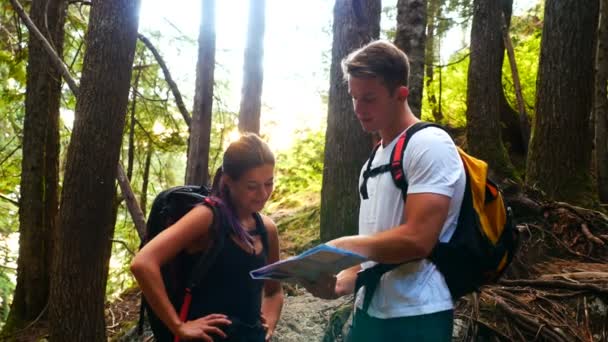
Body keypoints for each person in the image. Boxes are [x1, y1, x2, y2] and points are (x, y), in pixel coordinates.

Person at [303, 40, 466, 341]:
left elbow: (418, 240)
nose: (358, 109)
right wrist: (339, 283)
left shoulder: (430, 144)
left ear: (400, 94)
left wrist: (345, 245)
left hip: (419, 315)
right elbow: (375, 254)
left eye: (369, 98)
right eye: (354, 97)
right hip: (370, 311)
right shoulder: (374, 160)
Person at [131, 133, 284, 342]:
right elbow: (143, 262)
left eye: (269, 183)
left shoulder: (267, 229)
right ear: (228, 181)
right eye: (252, 186)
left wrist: (267, 328)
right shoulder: (208, 217)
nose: (263, 193)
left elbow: (273, 291)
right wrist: (179, 326)